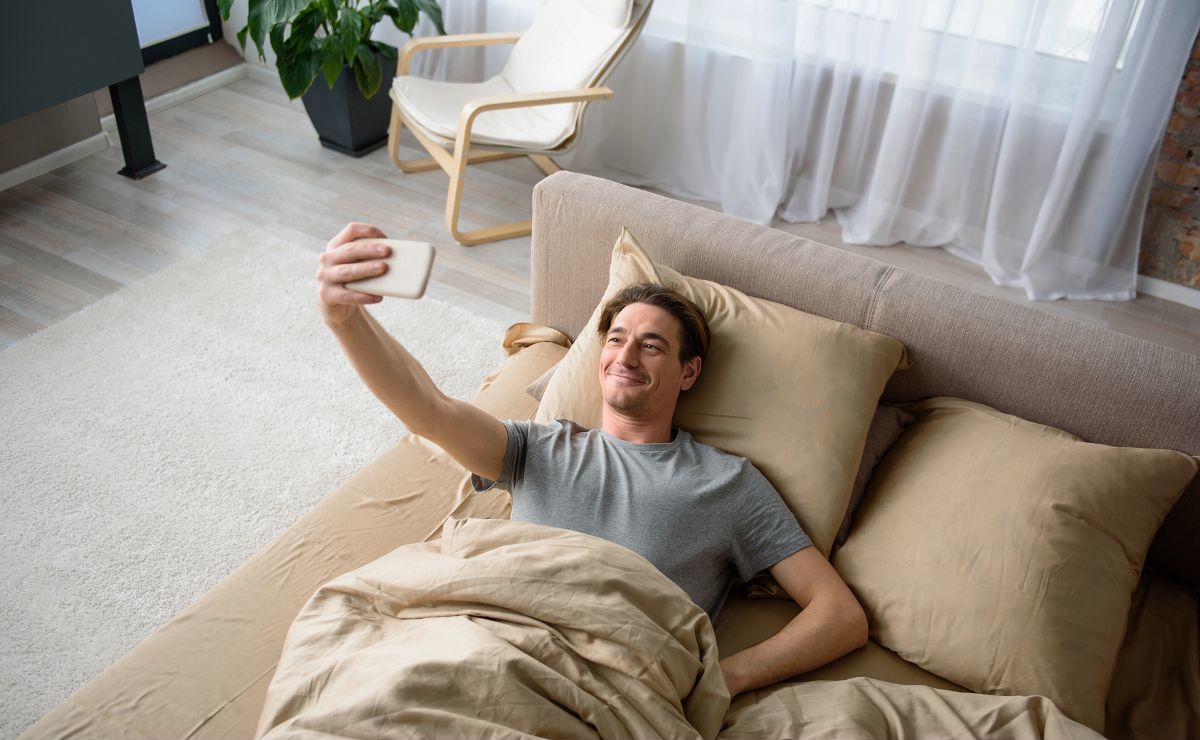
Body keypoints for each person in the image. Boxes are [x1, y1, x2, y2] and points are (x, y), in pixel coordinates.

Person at [317, 222, 868, 697]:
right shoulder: (537, 448)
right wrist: (344, 320)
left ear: (689, 372)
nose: (626, 355)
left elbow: (840, 615)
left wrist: (721, 679)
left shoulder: (728, 482)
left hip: (601, 686)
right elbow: (429, 410)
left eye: (651, 345)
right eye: (616, 339)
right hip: (484, 644)